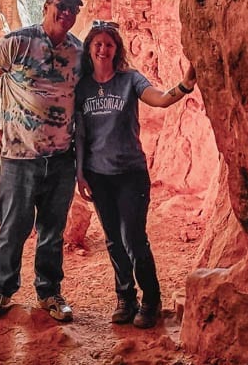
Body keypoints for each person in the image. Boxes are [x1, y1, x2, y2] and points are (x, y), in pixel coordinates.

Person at [74, 20, 197, 329]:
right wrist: (79, 173)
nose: (103, 49)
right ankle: (125, 298)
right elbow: (79, 134)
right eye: (98, 44)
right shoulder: (82, 86)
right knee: (113, 240)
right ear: (90, 48)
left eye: (109, 44)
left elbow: (159, 98)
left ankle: (151, 300)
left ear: (117, 50)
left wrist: (184, 86)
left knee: (134, 238)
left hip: (130, 172)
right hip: (97, 174)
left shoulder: (129, 80)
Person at [0, 0, 84, 322]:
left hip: (62, 158)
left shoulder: (78, 52)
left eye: (74, 8)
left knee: (53, 230)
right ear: (48, 5)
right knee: (12, 228)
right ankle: (2, 292)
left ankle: (49, 293)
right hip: (19, 157)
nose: (68, 13)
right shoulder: (18, 42)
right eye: (62, 6)